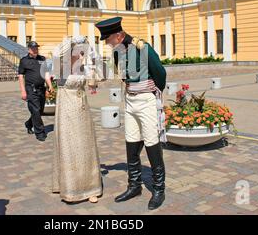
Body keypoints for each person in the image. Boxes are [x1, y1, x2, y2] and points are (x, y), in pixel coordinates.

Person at [95, 17, 167, 210]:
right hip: (130, 100)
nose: (108, 43)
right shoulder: (119, 52)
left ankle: (159, 189)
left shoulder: (142, 47)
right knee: (131, 140)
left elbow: (160, 73)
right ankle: (134, 185)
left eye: (109, 39)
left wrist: (151, 92)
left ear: (118, 35)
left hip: (145, 100)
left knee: (151, 141)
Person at [51, 36, 103, 204]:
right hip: (66, 111)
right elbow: (57, 51)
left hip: (82, 110)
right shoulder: (60, 66)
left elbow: (93, 84)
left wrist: (91, 64)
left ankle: (90, 187)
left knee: (85, 146)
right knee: (69, 146)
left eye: (82, 49)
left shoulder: (82, 65)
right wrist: (74, 38)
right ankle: (69, 186)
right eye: (77, 48)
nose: (80, 52)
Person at [18, 41, 54, 141]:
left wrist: (49, 86)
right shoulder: (24, 61)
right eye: (33, 48)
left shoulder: (42, 59)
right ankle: (40, 133)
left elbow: (46, 73)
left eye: (37, 48)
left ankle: (28, 124)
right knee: (36, 110)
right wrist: (23, 91)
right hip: (30, 89)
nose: (35, 50)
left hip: (41, 88)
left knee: (39, 111)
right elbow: (21, 76)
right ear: (29, 49)